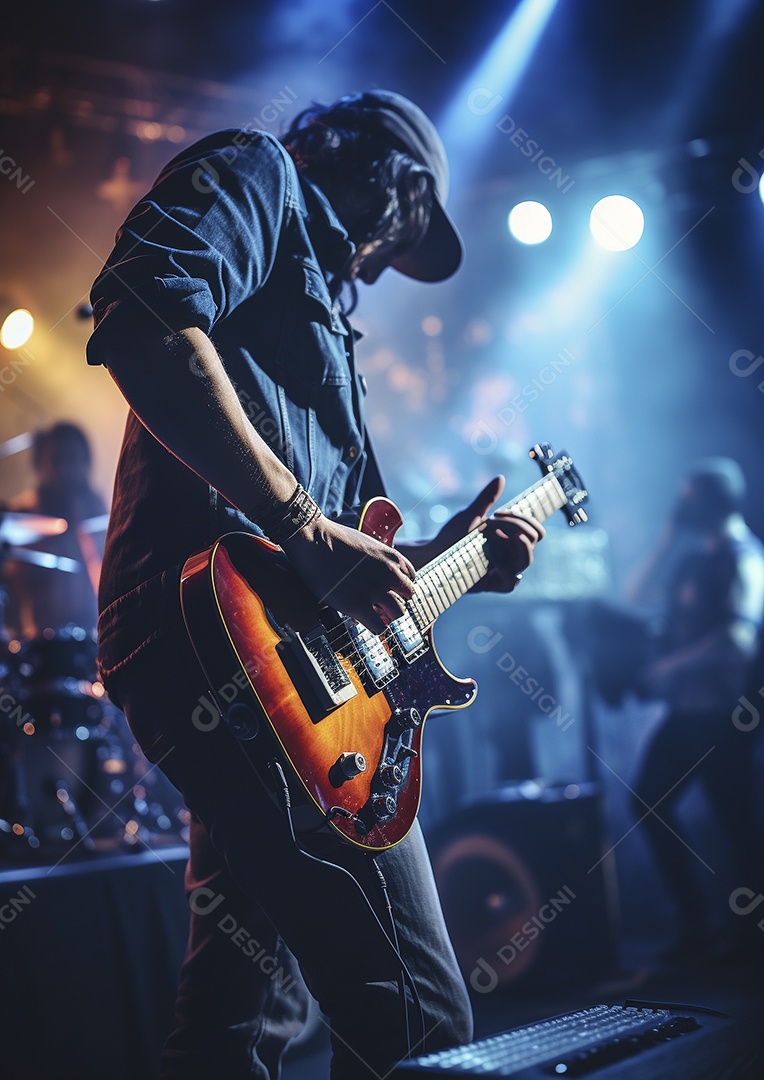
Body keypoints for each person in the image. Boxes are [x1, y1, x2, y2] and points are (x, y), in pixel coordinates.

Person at [86, 89, 544, 1079]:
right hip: (209, 634)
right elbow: (141, 310)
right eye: (409, 231)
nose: (383, 269)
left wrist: (456, 554)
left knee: (237, 1023)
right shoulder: (260, 174)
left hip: (270, 667)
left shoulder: (333, 331)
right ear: (400, 186)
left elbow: (344, 569)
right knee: (420, 1020)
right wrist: (302, 523)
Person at [629, 458, 764, 962]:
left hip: (725, 718)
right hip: (688, 716)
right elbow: (634, 595)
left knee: (736, 823)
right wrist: (666, 539)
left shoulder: (744, 559)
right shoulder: (692, 558)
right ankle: (700, 927)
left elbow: (737, 639)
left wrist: (668, 670)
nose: (679, 504)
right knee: (650, 803)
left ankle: (739, 938)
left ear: (709, 500)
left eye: (687, 497)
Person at [3, 421, 107, 637]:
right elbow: (14, 580)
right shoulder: (23, 516)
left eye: (73, 459)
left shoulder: (99, 511)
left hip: (96, 639)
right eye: (58, 459)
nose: (66, 469)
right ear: (41, 464)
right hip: (40, 643)